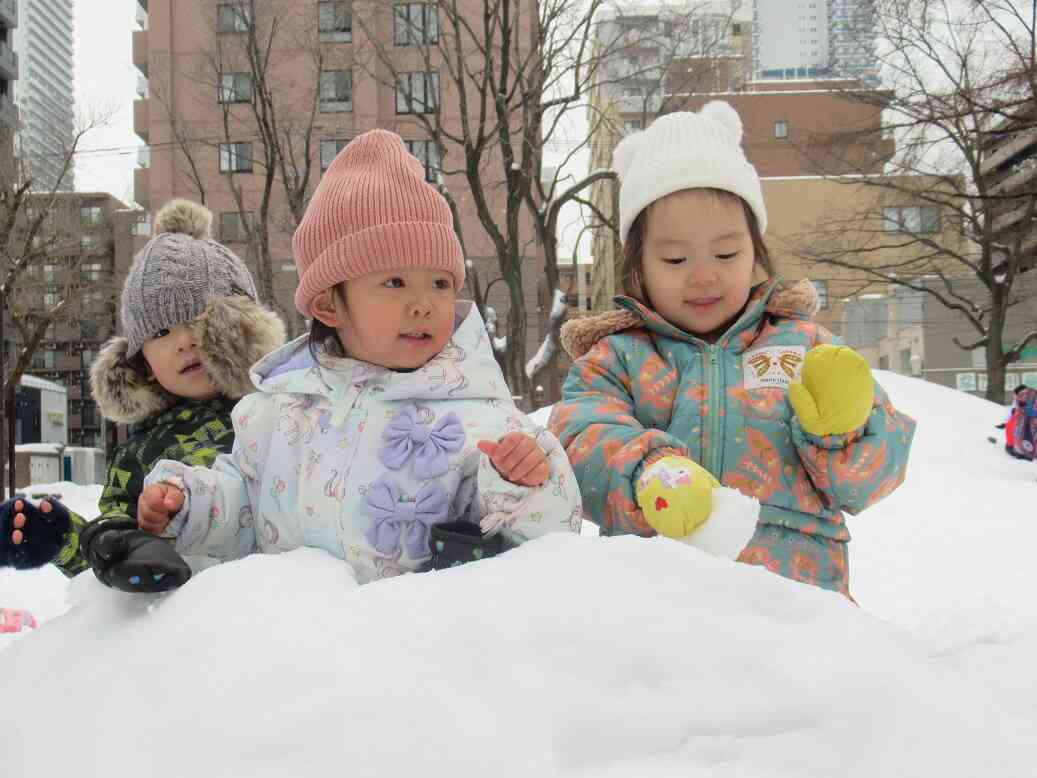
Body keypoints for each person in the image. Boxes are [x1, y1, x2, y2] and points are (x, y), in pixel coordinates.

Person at [136, 129, 582, 585]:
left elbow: (546, 546)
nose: (423, 303)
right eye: (394, 282)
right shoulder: (280, 411)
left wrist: (525, 481)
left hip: (418, 644)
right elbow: (245, 508)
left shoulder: (481, 419)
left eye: (440, 283)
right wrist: (191, 504)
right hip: (300, 639)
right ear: (330, 305)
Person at [547, 102, 916, 599]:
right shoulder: (618, 360)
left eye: (726, 254)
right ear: (638, 266)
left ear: (755, 251)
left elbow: (867, 483)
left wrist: (843, 431)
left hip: (800, 605)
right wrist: (647, 472)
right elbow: (579, 438)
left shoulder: (805, 348)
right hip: (662, 604)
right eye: (675, 258)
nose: (703, 275)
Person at [0, 199, 286, 592]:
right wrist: (62, 538)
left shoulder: (283, 414)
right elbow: (116, 551)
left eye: (196, 319)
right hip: (180, 627)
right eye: (160, 333)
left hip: (281, 610)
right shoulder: (139, 454)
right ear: (142, 362)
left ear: (239, 326)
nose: (183, 341)